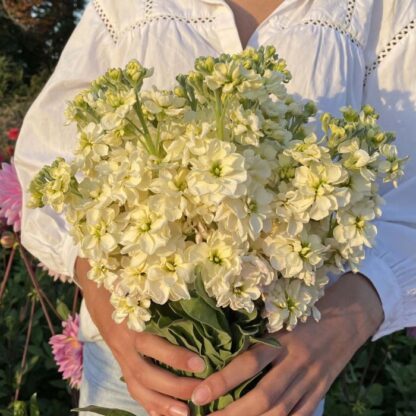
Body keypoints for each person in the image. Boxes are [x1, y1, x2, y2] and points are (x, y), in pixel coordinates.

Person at [14, 0, 416, 415]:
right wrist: (104, 302)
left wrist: (348, 319)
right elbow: (48, 159)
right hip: (131, 369)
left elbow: (410, 192)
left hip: (278, 377)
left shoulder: (380, 9)